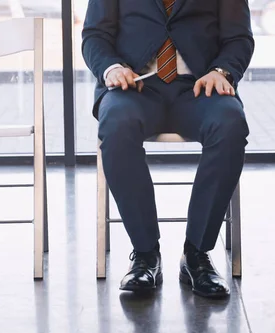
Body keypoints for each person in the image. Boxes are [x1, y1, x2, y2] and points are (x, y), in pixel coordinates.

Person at [82, 0, 254, 298]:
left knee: (229, 123)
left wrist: (222, 71)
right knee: (117, 124)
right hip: (134, 86)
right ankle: (146, 254)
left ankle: (197, 254)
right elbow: (94, 35)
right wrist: (111, 68)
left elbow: (239, 38)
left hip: (201, 86)